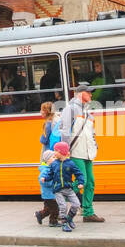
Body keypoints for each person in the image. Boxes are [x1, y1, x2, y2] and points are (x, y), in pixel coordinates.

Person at [55, 82, 103, 222]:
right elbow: (65, 131)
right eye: (88, 92)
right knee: (84, 180)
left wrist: (95, 145)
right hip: (76, 151)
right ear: (81, 94)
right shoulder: (70, 109)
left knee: (90, 182)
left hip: (88, 151)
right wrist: (65, 150)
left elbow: (90, 131)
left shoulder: (86, 109)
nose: (91, 95)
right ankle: (59, 202)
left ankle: (88, 213)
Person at [48, 141, 87, 233]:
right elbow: (50, 174)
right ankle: (64, 224)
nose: (54, 153)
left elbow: (79, 174)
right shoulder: (54, 164)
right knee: (63, 206)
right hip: (58, 190)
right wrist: (45, 178)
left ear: (61, 152)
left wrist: (81, 182)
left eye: (55, 151)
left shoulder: (71, 164)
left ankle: (69, 218)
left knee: (76, 204)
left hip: (68, 189)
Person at [36, 148, 60, 226]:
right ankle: (53, 222)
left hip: (50, 193)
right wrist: (52, 182)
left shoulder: (51, 168)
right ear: (47, 160)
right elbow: (42, 180)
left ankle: (40, 214)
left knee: (48, 209)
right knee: (55, 209)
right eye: (53, 158)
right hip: (49, 194)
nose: (55, 159)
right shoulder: (45, 170)